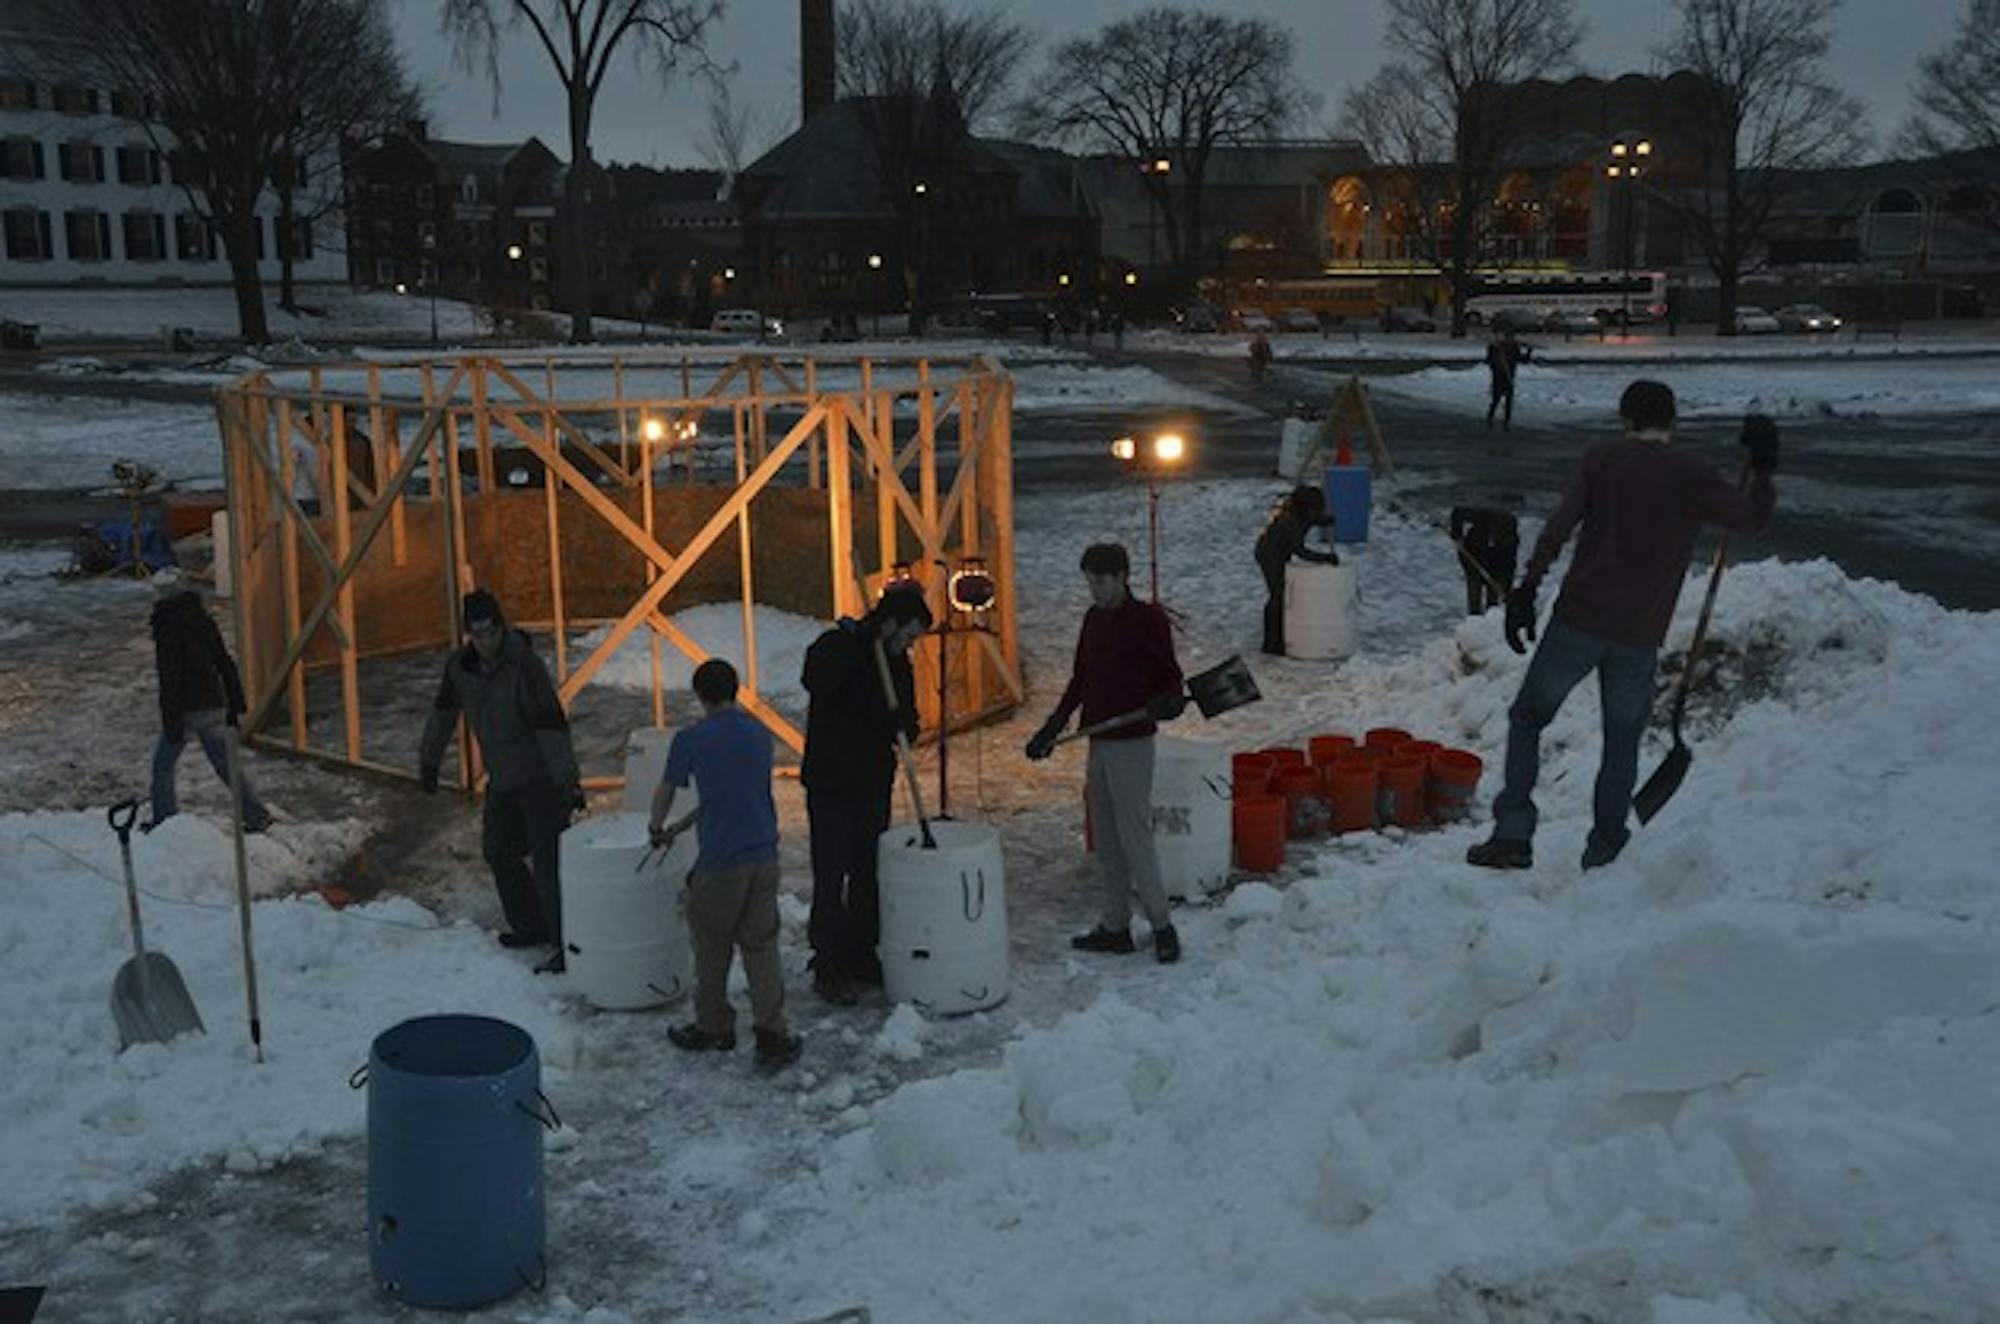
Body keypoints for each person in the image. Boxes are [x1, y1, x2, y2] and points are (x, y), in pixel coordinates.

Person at [1467, 386, 1779, 872]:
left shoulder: (1603, 460)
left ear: (1624, 417)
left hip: (1579, 621)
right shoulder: (1692, 474)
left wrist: (1526, 590)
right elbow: (1751, 518)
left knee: (1529, 717)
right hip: (1639, 633)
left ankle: (1513, 833)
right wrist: (1763, 465)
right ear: (1671, 420)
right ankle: (1606, 848)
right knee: (1621, 740)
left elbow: (1559, 526)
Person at [1025, 543, 1187, 964]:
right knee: (1107, 841)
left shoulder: (1148, 620)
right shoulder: (1093, 620)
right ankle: (1115, 926)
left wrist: (1166, 701)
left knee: (1135, 837)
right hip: (1097, 741)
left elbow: (1171, 680)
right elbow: (1080, 679)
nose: (1094, 590)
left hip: (1132, 743)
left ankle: (1162, 926)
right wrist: (1052, 726)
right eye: (1089, 582)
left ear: (1121, 577)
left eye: (1099, 581)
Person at [418, 590, 581, 973]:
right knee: (498, 850)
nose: (485, 642)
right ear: (468, 635)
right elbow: (443, 714)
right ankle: (530, 925)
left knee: (547, 861)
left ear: (500, 627)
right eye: (477, 635)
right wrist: (429, 762)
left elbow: (551, 724)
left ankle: (563, 942)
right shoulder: (460, 667)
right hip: (503, 779)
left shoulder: (524, 666)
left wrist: (567, 780)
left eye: (490, 633)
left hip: (540, 777)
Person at [648, 659, 801, 1069]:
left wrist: (657, 826)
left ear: (700, 695)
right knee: (761, 946)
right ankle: (773, 1033)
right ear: (735, 690)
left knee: (712, 946)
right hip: (764, 856)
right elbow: (737, 793)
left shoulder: (692, 739)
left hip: (721, 863)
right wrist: (685, 824)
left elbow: (666, 789)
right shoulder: (758, 733)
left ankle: (713, 1027)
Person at [800, 582, 934, 1005]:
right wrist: (861, 650)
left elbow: (907, 722)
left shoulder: (898, 665)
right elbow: (815, 680)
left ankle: (860, 952)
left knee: (866, 872)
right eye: (908, 635)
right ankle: (828, 963)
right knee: (831, 872)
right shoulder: (837, 645)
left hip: (873, 782)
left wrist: (903, 724)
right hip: (832, 783)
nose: (910, 645)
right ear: (889, 624)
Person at [148, 579, 273, 833]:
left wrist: (170, 718)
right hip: (214, 703)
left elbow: (170, 676)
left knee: (162, 767)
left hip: (186, 709)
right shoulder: (202, 619)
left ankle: (164, 822)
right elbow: (224, 661)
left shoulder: (167, 626)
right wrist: (235, 702)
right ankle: (257, 816)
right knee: (228, 767)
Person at [1255, 486, 1341, 655]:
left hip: (1280, 552)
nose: (1315, 513)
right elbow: (1300, 551)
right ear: (1304, 508)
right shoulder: (1289, 522)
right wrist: (1324, 558)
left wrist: (1324, 520)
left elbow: (1310, 520)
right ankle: (1271, 643)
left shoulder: (1301, 514)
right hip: (1269, 555)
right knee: (1277, 595)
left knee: (1282, 593)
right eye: (1314, 510)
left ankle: (1281, 634)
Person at [1448, 503, 1520, 616]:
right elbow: (1458, 513)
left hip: (1496, 565)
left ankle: (1490, 621)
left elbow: (1510, 564)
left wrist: (1506, 591)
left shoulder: (1510, 533)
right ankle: (1474, 621)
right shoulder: (1481, 513)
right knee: (1474, 593)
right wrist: (1457, 535)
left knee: (1493, 598)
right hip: (1473, 556)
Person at [1485, 330, 1532, 432]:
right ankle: (1490, 417)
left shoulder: (1514, 348)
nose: (1510, 340)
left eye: (1511, 338)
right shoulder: (1498, 348)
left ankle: (1506, 421)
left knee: (1509, 401)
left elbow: (1522, 360)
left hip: (1509, 377)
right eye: (1508, 337)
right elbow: (1490, 360)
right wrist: (1491, 349)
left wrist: (1529, 352)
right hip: (1499, 377)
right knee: (1496, 399)